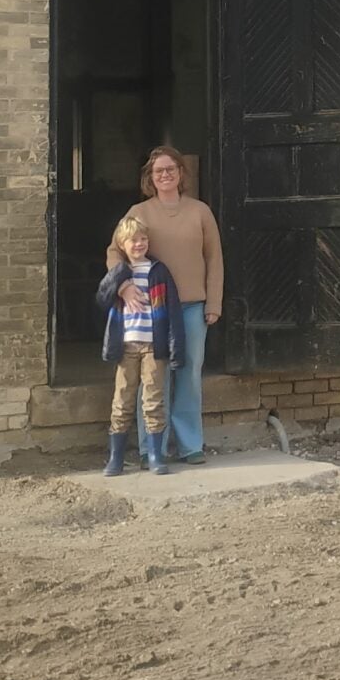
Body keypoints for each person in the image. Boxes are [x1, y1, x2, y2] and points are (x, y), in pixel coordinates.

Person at [126, 144, 222, 464]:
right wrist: (126, 288)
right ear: (150, 178)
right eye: (158, 171)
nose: (165, 175)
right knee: (153, 378)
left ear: (181, 173)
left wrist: (214, 302)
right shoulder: (139, 214)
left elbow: (214, 259)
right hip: (155, 309)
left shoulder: (200, 211)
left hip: (193, 306)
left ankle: (190, 445)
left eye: (171, 169)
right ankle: (152, 446)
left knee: (189, 374)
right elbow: (115, 252)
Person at [95, 214, 181, 477]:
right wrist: (120, 284)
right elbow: (101, 297)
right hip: (127, 346)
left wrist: (175, 347)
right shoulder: (119, 273)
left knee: (153, 400)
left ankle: (155, 455)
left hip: (154, 346)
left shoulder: (159, 271)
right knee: (122, 400)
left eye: (143, 239)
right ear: (122, 243)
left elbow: (173, 310)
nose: (139, 244)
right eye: (133, 240)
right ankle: (116, 458)